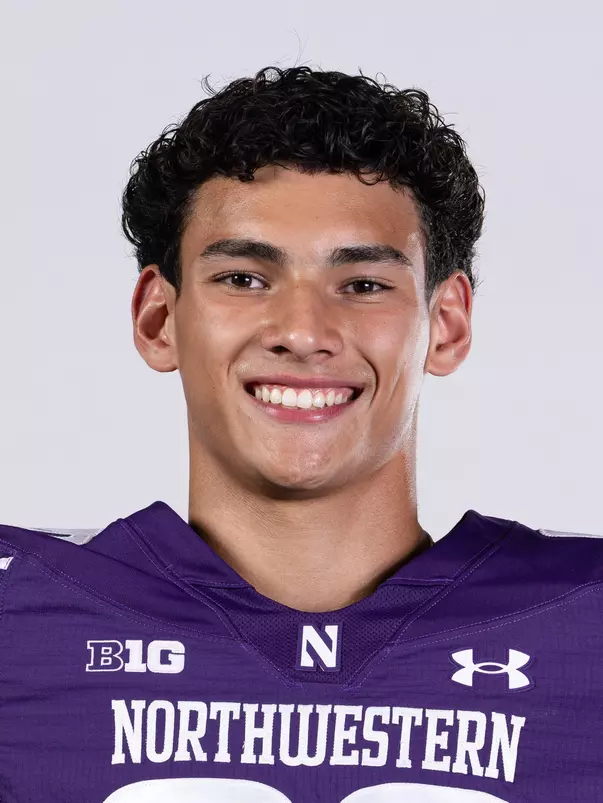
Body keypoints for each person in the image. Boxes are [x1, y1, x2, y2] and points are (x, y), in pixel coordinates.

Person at [0, 66, 601, 803]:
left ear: (445, 324)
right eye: (244, 278)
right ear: (158, 319)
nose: (303, 332)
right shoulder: (19, 621)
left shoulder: (584, 627)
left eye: (364, 284)